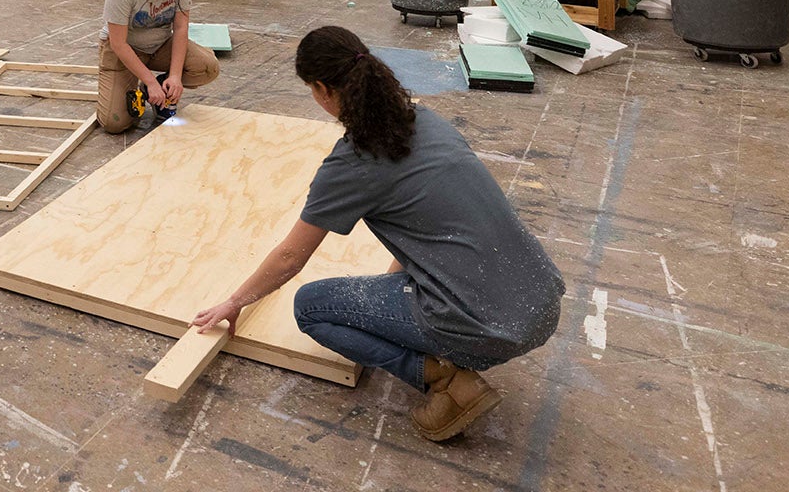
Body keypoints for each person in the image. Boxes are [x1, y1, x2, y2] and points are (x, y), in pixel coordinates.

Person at [190, 26, 564, 442]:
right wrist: (388, 306)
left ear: (321, 89)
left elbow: (290, 259)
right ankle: (441, 350)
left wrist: (234, 301)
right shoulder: (424, 121)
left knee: (311, 307)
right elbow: (424, 229)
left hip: (490, 326)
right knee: (389, 291)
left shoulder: (353, 163)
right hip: (541, 300)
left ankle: (445, 380)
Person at [98, 0, 219, 134]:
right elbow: (118, 43)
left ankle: (161, 87)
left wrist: (174, 76)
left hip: (161, 45)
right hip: (126, 49)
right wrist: (149, 80)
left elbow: (180, 27)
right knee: (115, 123)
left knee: (208, 68)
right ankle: (146, 86)